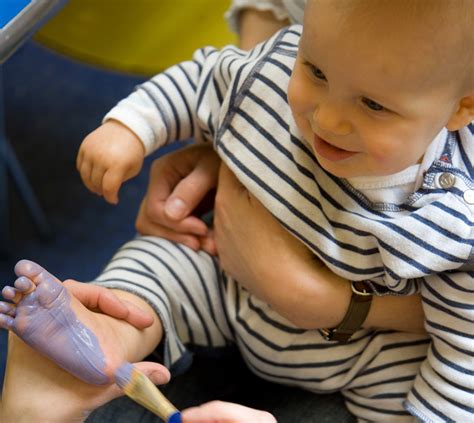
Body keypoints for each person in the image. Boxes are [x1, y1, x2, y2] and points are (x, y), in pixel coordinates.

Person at [3, 0, 474, 422]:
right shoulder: (279, 63)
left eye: (373, 105)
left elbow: (463, 353)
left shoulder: (451, 219)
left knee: (404, 394)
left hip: (356, 359)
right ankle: (107, 333)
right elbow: (206, 77)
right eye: (316, 72)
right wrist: (131, 128)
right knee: (159, 261)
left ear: (460, 109)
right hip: (225, 283)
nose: (326, 119)